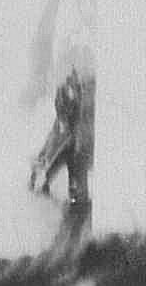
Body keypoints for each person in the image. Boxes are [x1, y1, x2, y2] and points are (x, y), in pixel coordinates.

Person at [28, 68, 94, 207]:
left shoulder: (86, 87)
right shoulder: (67, 88)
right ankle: (42, 185)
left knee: (75, 169)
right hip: (69, 137)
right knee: (56, 160)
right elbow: (62, 115)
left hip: (79, 139)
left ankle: (76, 200)